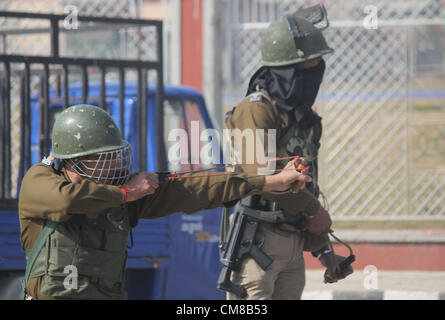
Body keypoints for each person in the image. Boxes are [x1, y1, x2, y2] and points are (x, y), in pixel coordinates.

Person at [18, 104, 316, 300]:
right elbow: (66, 201)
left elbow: (196, 188)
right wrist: (126, 194)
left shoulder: (120, 189)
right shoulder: (40, 180)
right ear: (75, 161)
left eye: (114, 156)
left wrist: (266, 182)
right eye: (103, 158)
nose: (113, 165)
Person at [223, 8, 353, 300]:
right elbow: (263, 179)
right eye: (311, 64)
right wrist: (313, 211)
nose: (318, 70)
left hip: (293, 246)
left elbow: (307, 185)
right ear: (289, 69)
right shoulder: (256, 110)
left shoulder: (305, 119)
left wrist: (322, 248)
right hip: (257, 246)